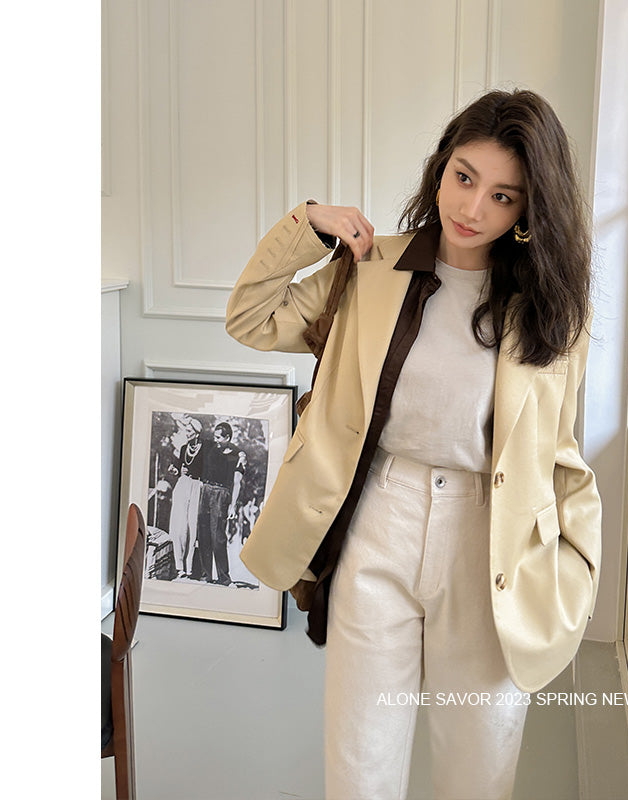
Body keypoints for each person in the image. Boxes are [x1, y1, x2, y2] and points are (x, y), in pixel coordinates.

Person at [227, 89, 602, 800]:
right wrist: (309, 223)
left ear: (528, 211)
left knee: (479, 769)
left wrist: (576, 570)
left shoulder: (553, 313)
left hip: (491, 542)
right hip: (380, 520)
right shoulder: (371, 267)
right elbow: (250, 317)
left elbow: (558, 453)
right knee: (360, 765)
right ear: (441, 167)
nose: (472, 208)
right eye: (464, 177)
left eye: (503, 196)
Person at [196, 421, 246, 586]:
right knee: (203, 535)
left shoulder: (237, 455)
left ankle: (224, 578)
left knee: (218, 537)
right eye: (214, 436)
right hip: (206, 491)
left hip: (221, 494)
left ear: (228, 437)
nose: (215, 440)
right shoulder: (211, 447)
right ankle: (206, 575)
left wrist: (233, 505)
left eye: (219, 437)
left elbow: (237, 483)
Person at [167, 416, 204, 578]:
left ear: (197, 433)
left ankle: (190, 568)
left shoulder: (205, 449)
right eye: (186, 431)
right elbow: (180, 467)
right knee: (179, 526)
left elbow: (205, 469)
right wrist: (176, 471)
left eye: (189, 431)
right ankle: (179, 567)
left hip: (196, 486)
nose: (187, 434)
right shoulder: (183, 449)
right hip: (182, 485)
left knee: (192, 526)